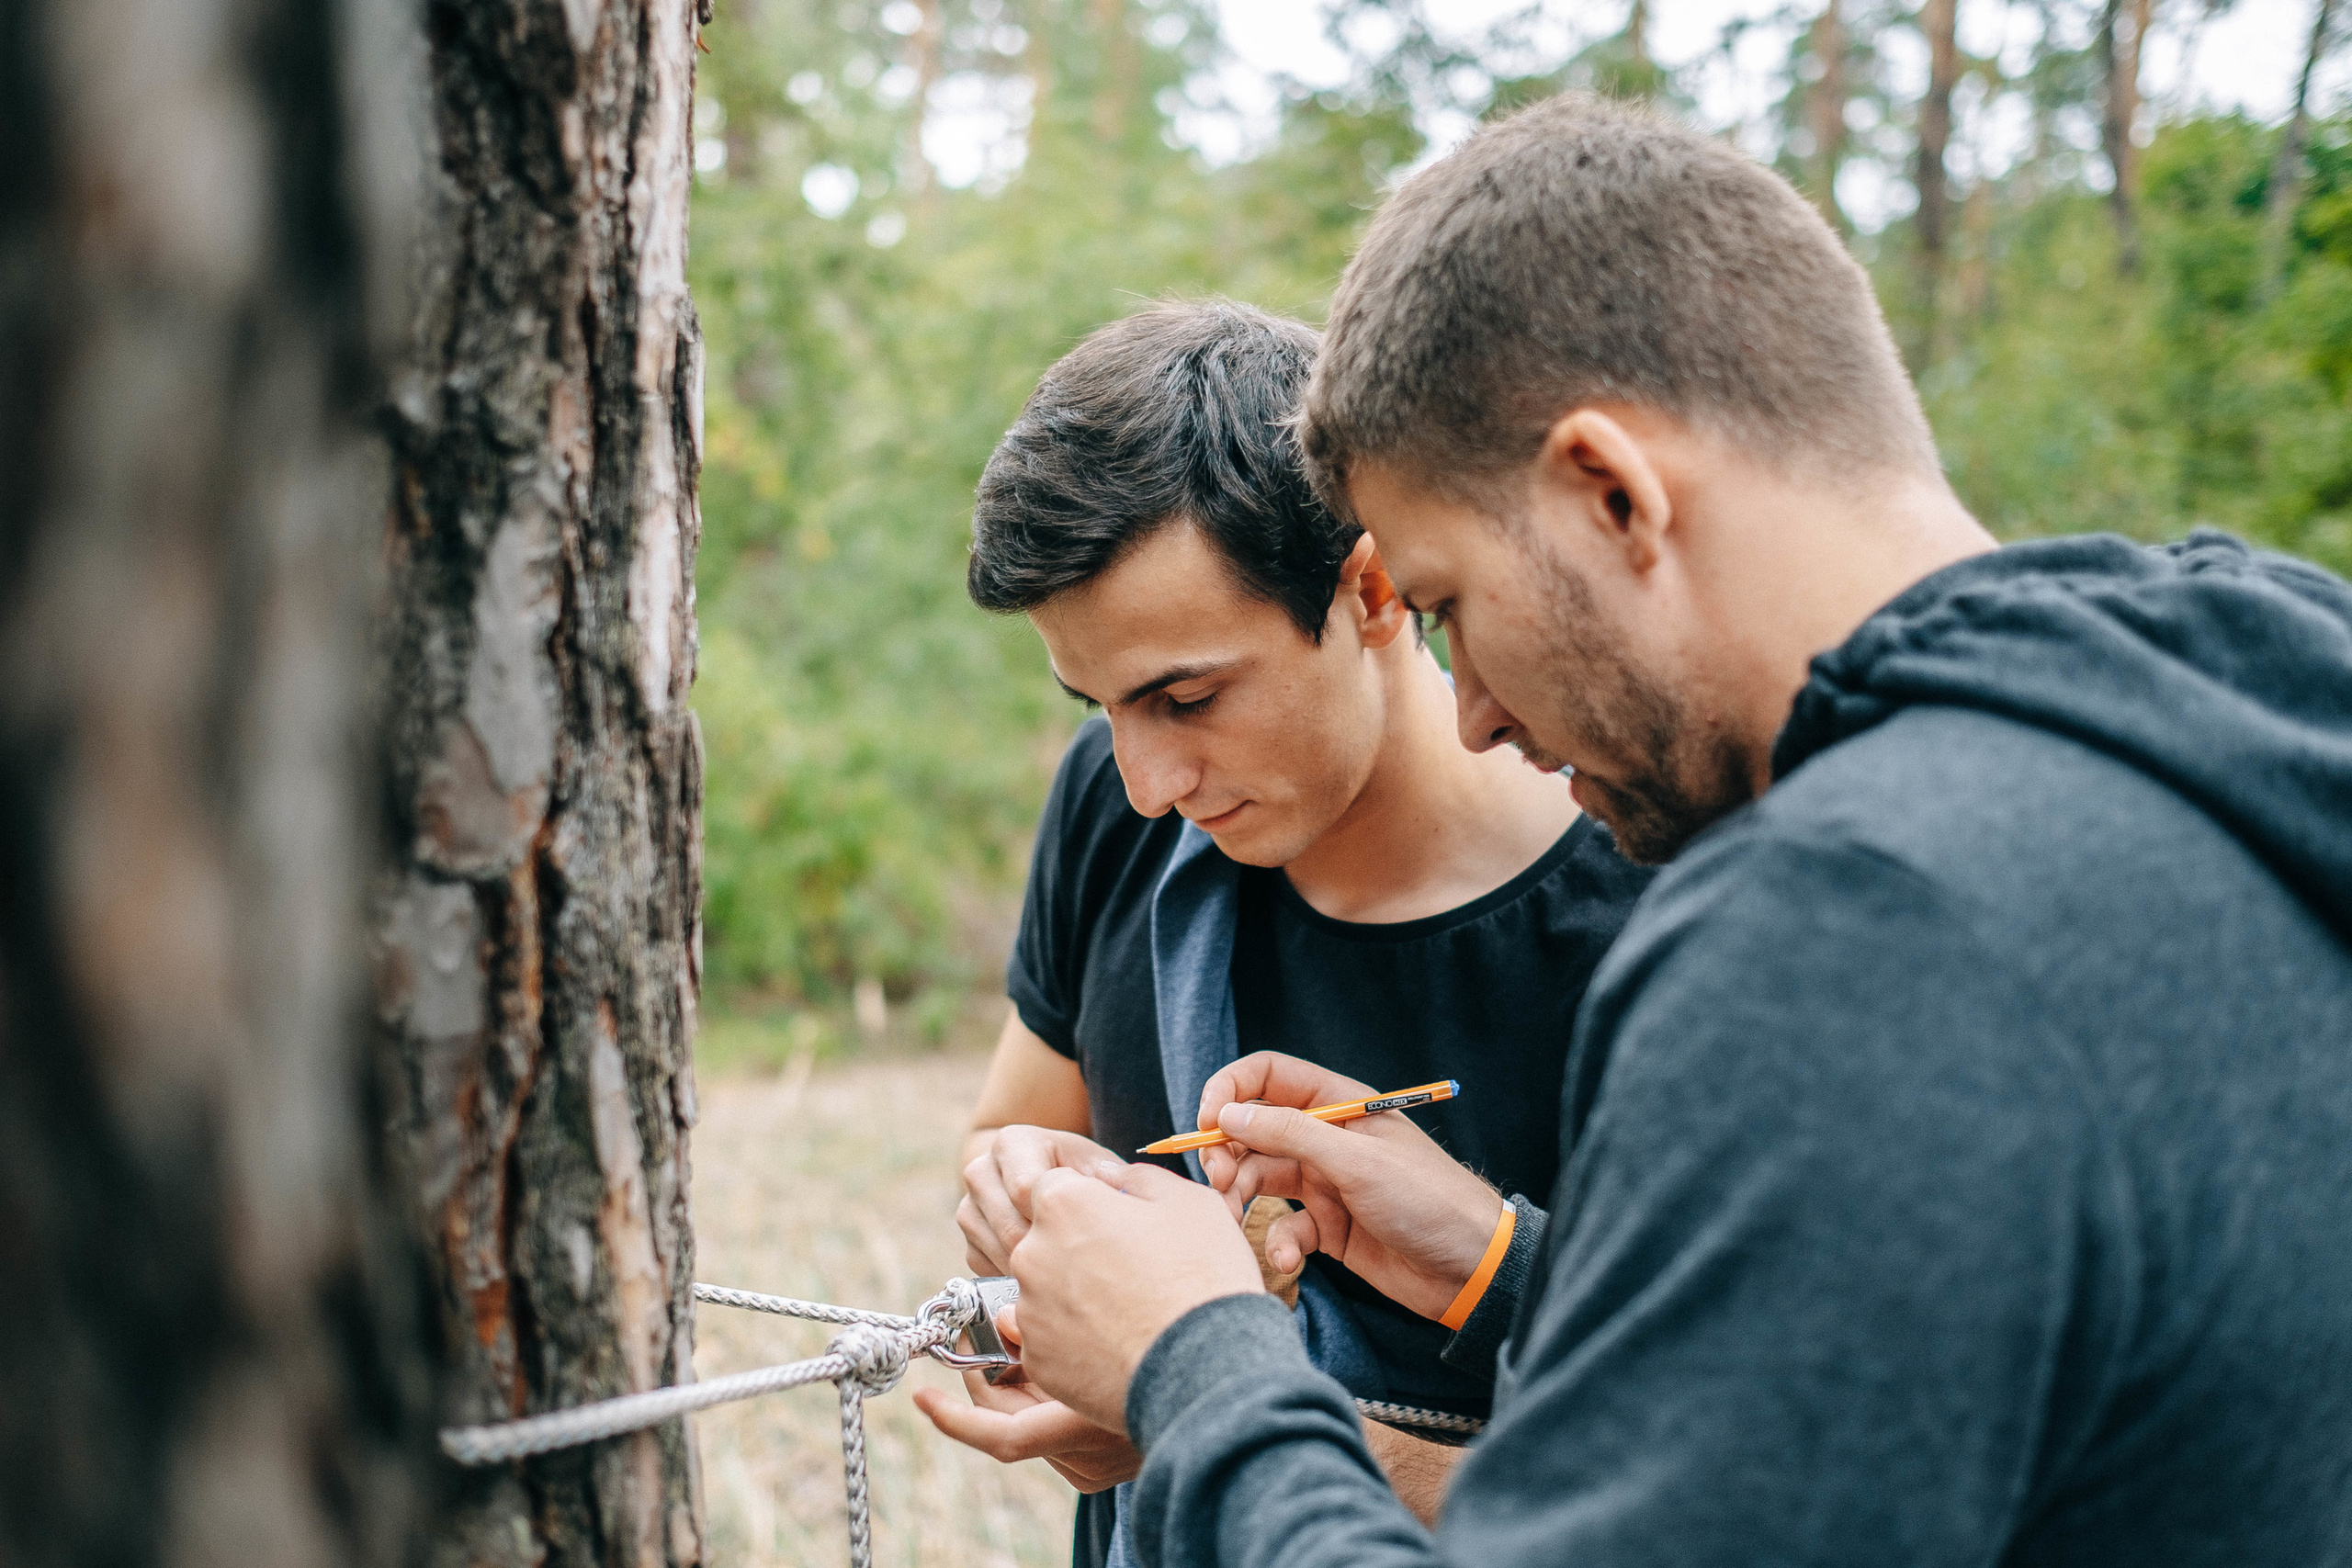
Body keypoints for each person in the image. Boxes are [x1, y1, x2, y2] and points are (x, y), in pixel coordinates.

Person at [974, 94, 2352, 1568]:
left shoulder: (1854, 924)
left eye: (1448, 606)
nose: (1481, 711)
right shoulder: (2231, 731)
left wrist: (1196, 1363)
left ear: (1611, 493)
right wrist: (1511, 1274)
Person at [912, 300, 1653, 1565]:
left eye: (1185, 697)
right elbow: (1018, 1124)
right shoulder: (1115, 803)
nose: (1146, 780)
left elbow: (1668, 1504)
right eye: (1098, 706)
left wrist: (1184, 1383)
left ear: (1368, 590)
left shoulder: (1653, 909)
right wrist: (1030, 1231)